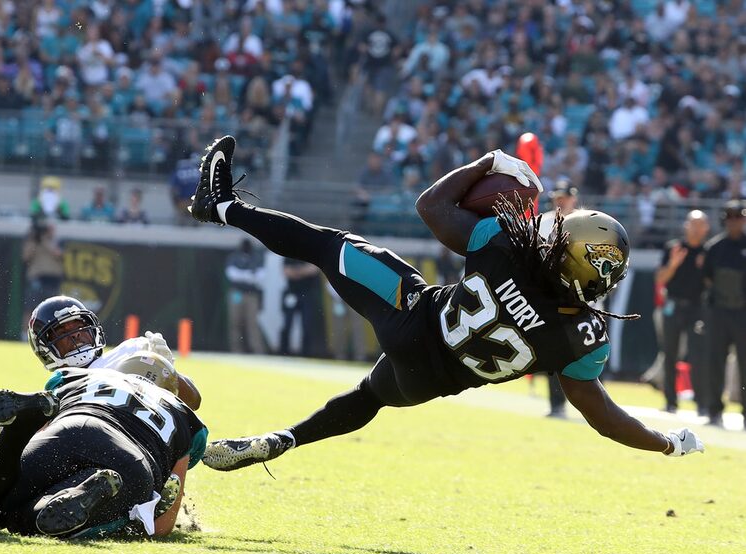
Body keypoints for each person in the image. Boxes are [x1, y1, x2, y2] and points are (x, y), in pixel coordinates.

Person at [188, 136, 704, 473]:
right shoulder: (579, 338)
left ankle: (222, 206)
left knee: (326, 246)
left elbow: (430, 206)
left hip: (411, 313)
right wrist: (665, 442)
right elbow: (606, 418)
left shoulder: (511, 249)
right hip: (430, 381)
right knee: (368, 398)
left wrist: (489, 162)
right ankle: (285, 440)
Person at [0, 351, 207, 538]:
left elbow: (36, 452)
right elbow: (164, 524)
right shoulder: (182, 414)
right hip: (132, 461)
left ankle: (16, 431)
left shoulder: (83, 374)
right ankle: (83, 493)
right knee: (32, 522)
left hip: (73, 427)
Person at [656, 210, 710, 415]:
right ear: (686, 225)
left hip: (698, 308)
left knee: (699, 355)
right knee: (669, 353)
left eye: (700, 225)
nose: (696, 229)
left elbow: (711, 284)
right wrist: (674, 264)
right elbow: (660, 279)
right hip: (673, 306)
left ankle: (702, 402)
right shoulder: (673, 248)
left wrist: (704, 269)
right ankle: (671, 400)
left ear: (706, 228)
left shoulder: (708, 251)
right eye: (692, 224)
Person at [540, 180, 581, 418]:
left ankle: (595, 405)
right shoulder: (543, 221)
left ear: (573, 198)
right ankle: (557, 404)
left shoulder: (586, 221)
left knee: (587, 349)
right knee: (555, 351)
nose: (561, 201)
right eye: (558, 197)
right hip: (552, 296)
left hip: (580, 296)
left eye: (564, 197)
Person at [703, 201, 746, 428]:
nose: (734, 222)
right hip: (719, 312)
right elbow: (707, 278)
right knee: (715, 362)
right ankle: (714, 410)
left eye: (738, 217)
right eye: (730, 218)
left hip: (743, 313)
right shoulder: (715, 248)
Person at [21, 219, 63, 336]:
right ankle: (25, 334)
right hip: (37, 278)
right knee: (30, 308)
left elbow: (58, 253)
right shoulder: (33, 242)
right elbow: (25, 256)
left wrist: (44, 240)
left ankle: (54, 335)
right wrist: (34, 239)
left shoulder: (57, 241)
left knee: (54, 311)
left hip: (52, 279)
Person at [225, 239, 266, 354]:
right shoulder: (234, 257)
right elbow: (232, 275)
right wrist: (248, 276)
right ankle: (236, 350)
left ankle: (257, 350)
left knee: (252, 323)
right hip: (237, 293)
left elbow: (260, 277)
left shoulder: (256, 257)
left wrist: (243, 275)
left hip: (251, 294)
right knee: (235, 321)